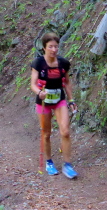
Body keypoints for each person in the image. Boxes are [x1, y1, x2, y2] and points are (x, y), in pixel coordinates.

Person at [30, 32, 78, 179]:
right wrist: (39, 92)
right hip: (43, 102)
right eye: (50, 46)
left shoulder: (63, 63)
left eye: (56, 46)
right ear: (44, 48)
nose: (54, 50)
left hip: (59, 101)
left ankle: (67, 165)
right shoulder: (38, 63)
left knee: (65, 132)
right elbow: (33, 84)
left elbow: (67, 83)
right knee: (46, 134)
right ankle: (49, 162)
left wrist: (71, 100)